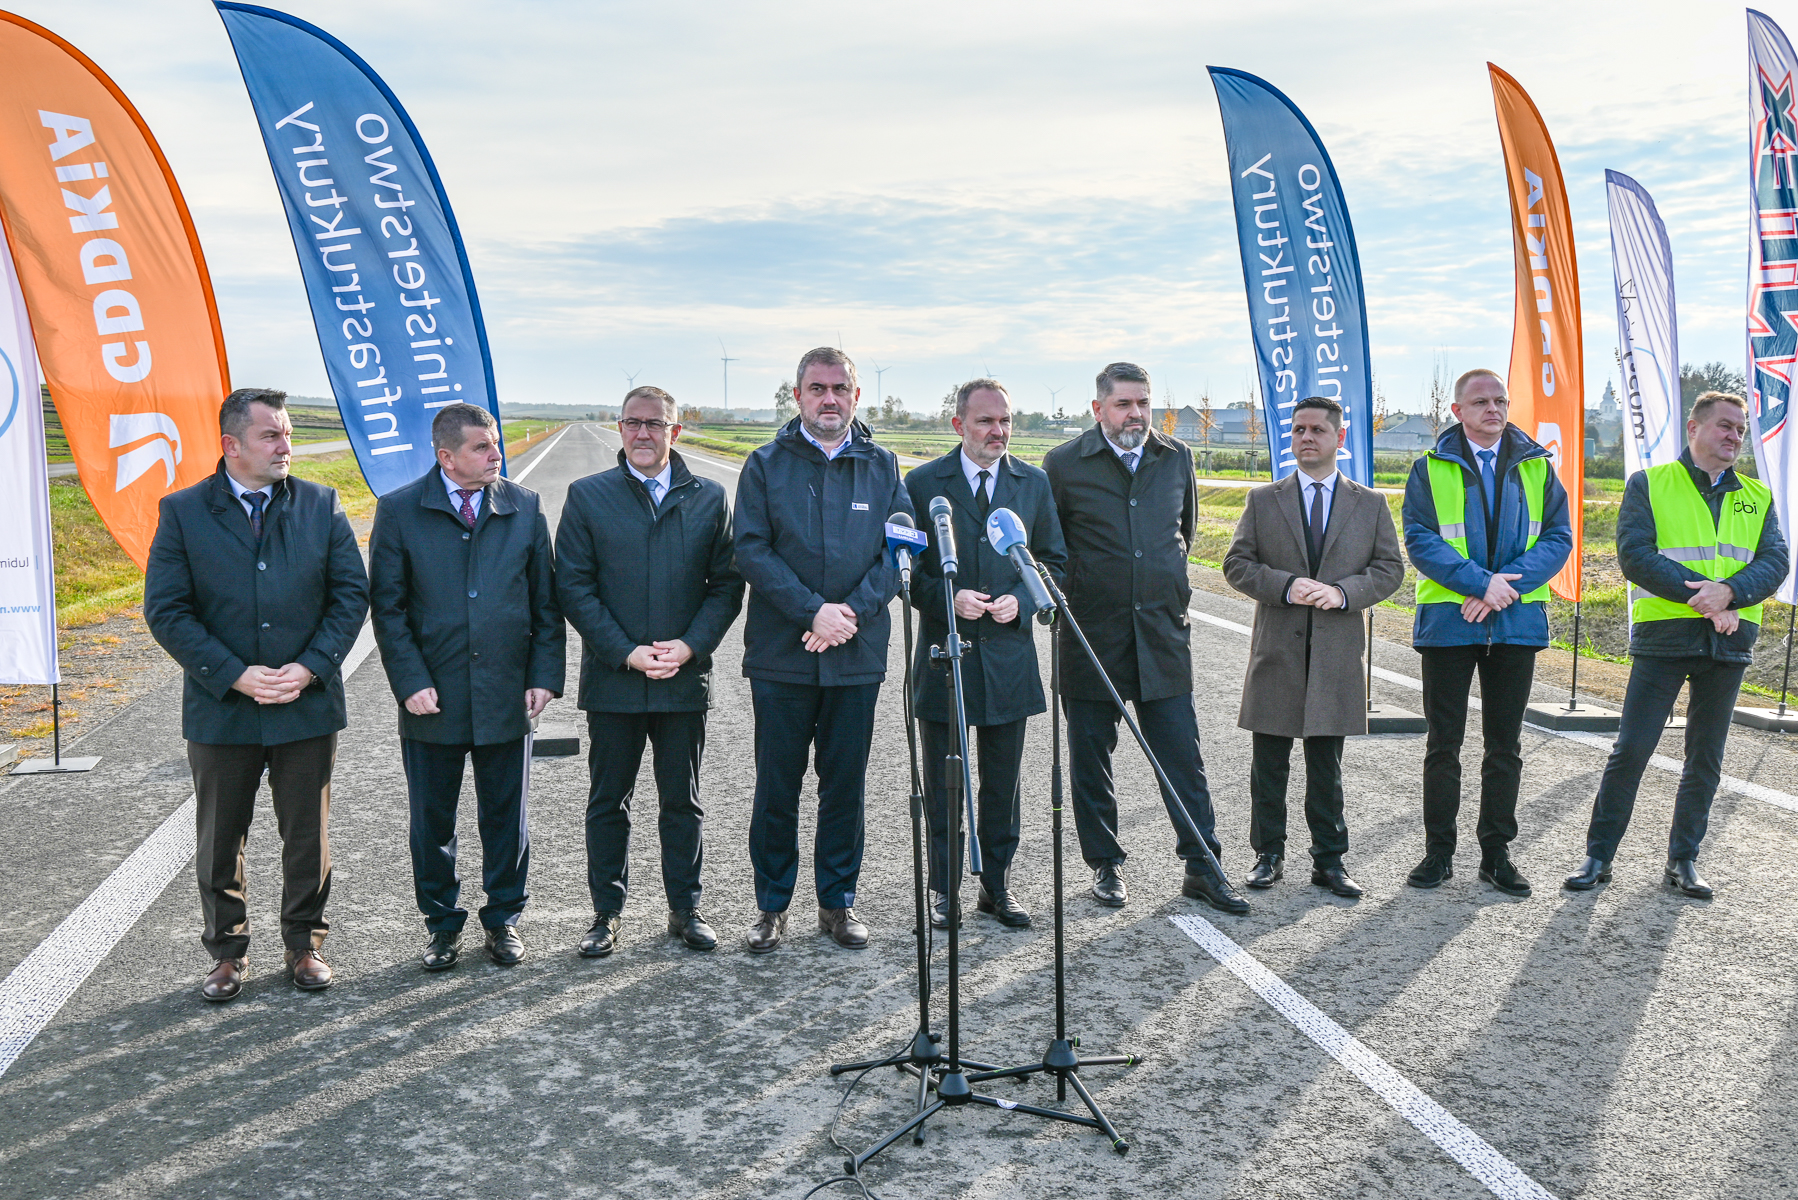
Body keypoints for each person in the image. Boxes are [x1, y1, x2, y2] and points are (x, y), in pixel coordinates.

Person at [145, 388, 369, 1002]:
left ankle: (305, 945)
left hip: (306, 703)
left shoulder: (322, 505)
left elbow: (351, 595)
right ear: (231, 445)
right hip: (224, 707)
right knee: (221, 836)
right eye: (272, 435)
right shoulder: (184, 511)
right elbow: (167, 611)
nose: (286, 446)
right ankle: (225, 952)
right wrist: (235, 674)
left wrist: (311, 667)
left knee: (307, 834)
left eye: (289, 433)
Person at [1042, 361, 1247, 915]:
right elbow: (1051, 547)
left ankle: (1203, 865)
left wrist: (1169, 589)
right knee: (1092, 758)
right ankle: (1106, 865)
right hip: (1091, 636)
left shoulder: (1175, 457)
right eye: (1123, 404)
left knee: (1182, 755)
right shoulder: (1063, 464)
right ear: (1098, 409)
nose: (1135, 414)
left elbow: (1186, 531)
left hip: (1161, 634)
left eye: (1143, 403)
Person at [1565, 392, 1788, 897]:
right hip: (1665, 636)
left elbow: (1775, 559)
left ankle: (1683, 861)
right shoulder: (1650, 484)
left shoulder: (1757, 495)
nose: (1735, 437)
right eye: (1725, 426)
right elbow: (1636, 555)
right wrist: (1706, 596)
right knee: (1633, 749)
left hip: (1728, 642)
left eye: (1740, 430)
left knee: (1705, 758)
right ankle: (1598, 856)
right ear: (1694, 428)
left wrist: (1731, 592)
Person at [369, 403, 564, 970]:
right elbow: (388, 608)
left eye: (495, 444)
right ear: (445, 456)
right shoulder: (401, 511)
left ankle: (503, 920)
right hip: (434, 698)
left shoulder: (523, 507)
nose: (495, 455)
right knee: (433, 823)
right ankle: (442, 925)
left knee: (507, 818)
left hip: (507, 693)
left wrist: (543, 677)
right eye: (481, 447)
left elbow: (545, 604)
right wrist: (410, 681)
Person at [734, 346, 911, 952]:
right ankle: (772, 905)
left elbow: (899, 553)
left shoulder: (885, 467)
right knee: (777, 785)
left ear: (857, 396)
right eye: (817, 388)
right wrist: (813, 611)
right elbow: (752, 550)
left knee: (845, 785)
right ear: (798, 396)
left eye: (840, 388)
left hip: (856, 656)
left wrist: (850, 615)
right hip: (783, 654)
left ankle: (838, 903)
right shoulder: (764, 464)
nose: (829, 398)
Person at [555, 386, 744, 955]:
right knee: (608, 800)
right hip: (614, 679)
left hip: (684, 679)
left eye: (655, 425)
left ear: (675, 432)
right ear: (619, 428)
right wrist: (624, 650)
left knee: (681, 800)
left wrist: (689, 647)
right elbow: (574, 585)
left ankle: (685, 909)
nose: (642, 433)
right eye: (632, 423)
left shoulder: (709, 497)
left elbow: (727, 586)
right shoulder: (588, 496)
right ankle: (606, 913)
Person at [1222, 395, 1404, 897]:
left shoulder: (1369, 504)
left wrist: (1344, 593)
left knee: (1327, 767)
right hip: (1277, 649)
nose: (1306, 437)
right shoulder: (1264, 500)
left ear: (1339, 438)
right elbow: (1237, 565)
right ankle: (1268, 855)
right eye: (1299, 429)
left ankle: (1330, 861)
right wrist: (1286, 586)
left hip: (1335, 654)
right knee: (1269, 765)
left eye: (1317, 430)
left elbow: (1390, 570)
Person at [1402, 368, 1572, 896]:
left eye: (1500, 400)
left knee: (1505, 745)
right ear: (1458, 411)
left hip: (1516, 624)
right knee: (1444, 743)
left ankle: (1496, 854)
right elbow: (1421, 538)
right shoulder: (1429, 469)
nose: (1493, 409)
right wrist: (1479, 585)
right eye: (1480, 402)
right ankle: (1439, 854)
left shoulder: (1539, 467)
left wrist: (1503, 590)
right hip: (1450, 625)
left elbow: (1558, 536)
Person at [906, 378, 1067, 930]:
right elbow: (907, 573)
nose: (997, 431)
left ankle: (996, 886)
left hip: (1007, 657)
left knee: (1003, 782)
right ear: (958, 426)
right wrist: (946, 596)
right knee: (945, 782)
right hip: (943, 659)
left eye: (1004, 421)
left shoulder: (1034, 483)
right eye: (984, 422)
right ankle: (943, 889)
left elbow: (1055, 563)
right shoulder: (925, 482)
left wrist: (1020, 602)